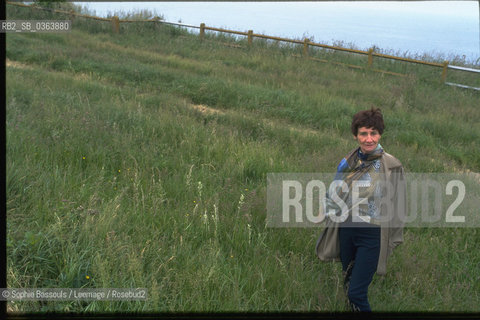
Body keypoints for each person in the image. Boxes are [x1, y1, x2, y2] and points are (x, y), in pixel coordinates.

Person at [315, 107, 406, 312]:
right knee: (348, 286)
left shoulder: (391, 165)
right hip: (347, 229)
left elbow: (400, 204)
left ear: (380, 134)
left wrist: (394, 234)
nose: (369, 139)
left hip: (372, 234)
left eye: (373, 133)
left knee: (356, 293)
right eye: (363, 133)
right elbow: (334, 191)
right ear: (356, 135)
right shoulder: (347, 162)